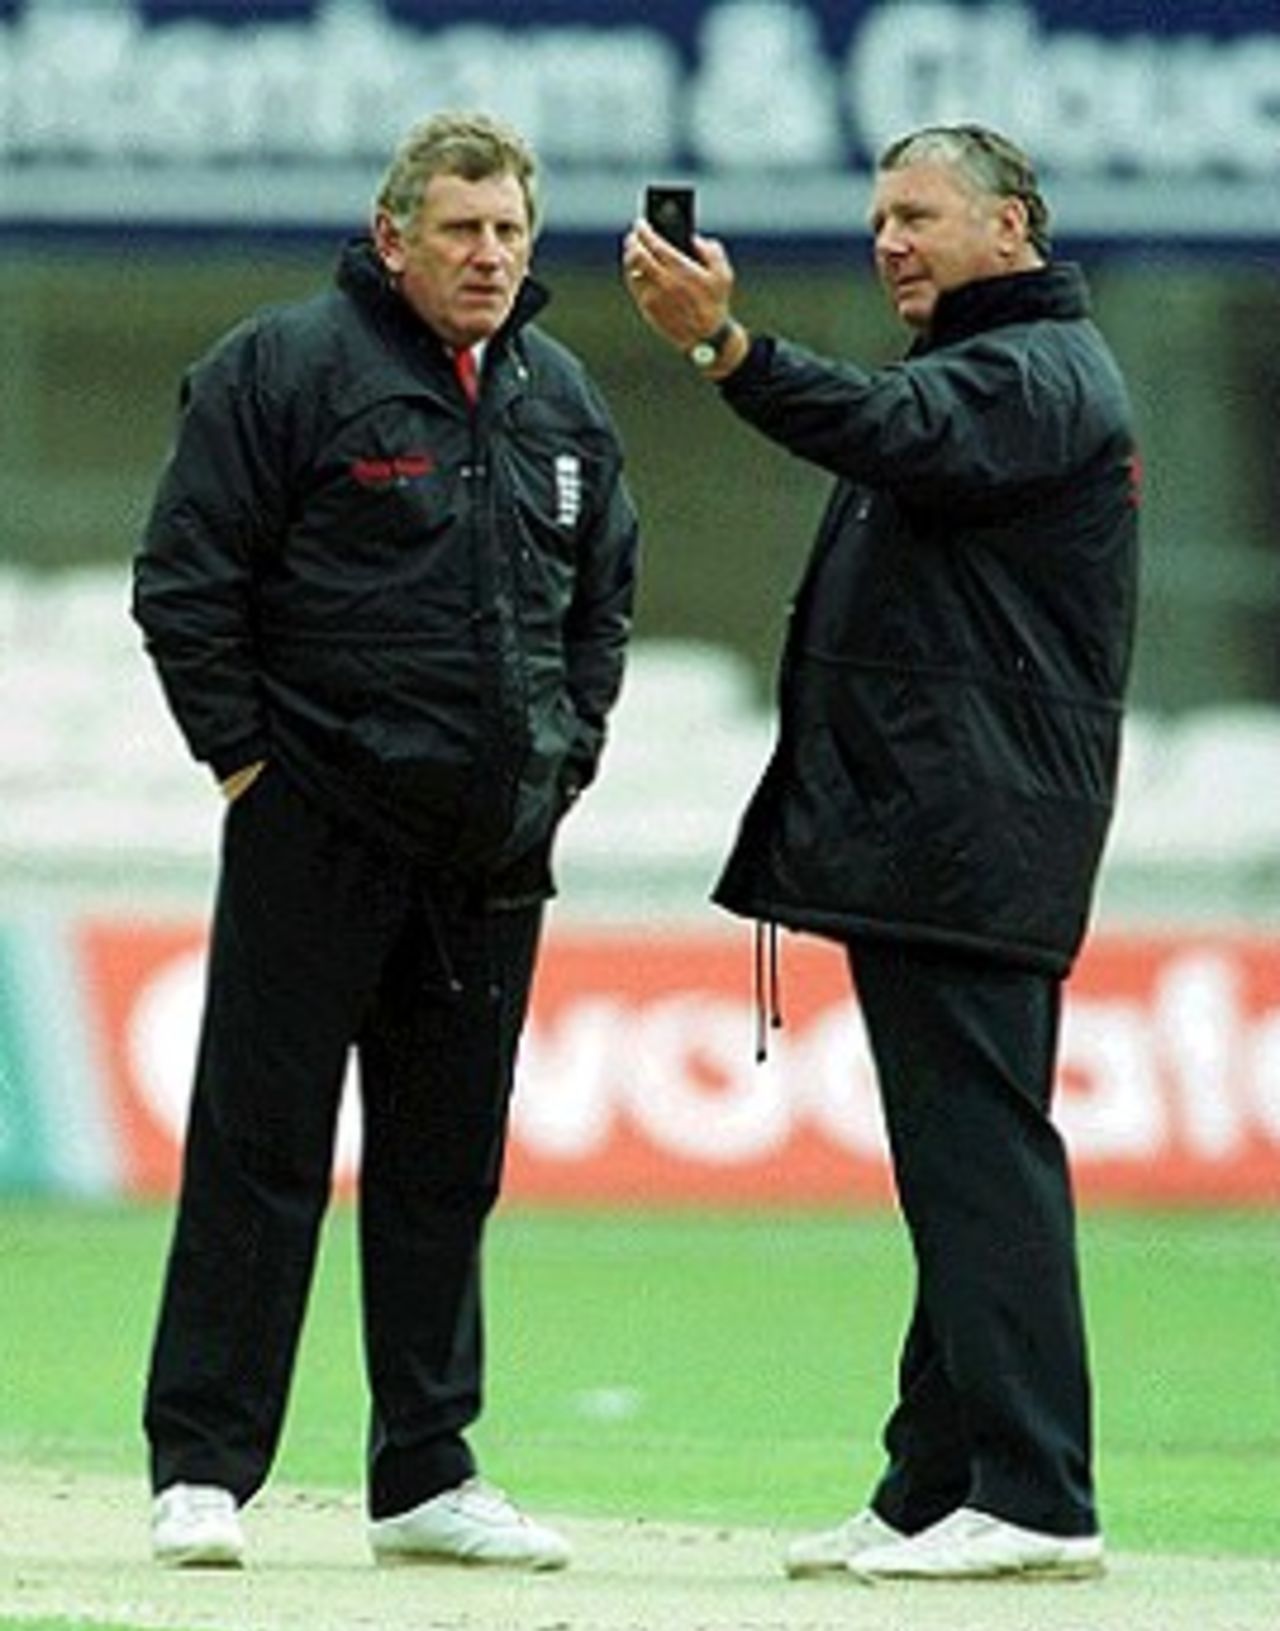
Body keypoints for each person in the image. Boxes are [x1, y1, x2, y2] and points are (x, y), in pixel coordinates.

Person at [623, 124, 1137, 1582]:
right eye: (877, 218)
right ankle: (936, 1485)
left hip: (973, 832)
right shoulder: (1004, 373)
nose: (890, 240)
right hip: (957, 828)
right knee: (961, 1167)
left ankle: (1039, 1496)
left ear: (1014, 229)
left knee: (981, 1163)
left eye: (920, 215)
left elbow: (884, 430)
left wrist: (725, 347)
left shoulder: (1029, 376)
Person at [135, 110, 638, 1572]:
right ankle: (205, 1468)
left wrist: (563, 762)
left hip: (490, 852)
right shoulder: (282, 369)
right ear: (392, 235)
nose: (490, 256)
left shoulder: (560, 395)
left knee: (444, 1165)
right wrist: (247, 770)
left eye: (511, 233)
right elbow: (185, 583)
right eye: (463, 230)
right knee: (260, 1147)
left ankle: (426, 1472)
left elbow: (601, 603)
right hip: (315, 829)